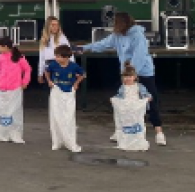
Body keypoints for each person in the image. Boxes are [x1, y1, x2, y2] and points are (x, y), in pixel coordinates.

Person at [79, 12, 166, 146]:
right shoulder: (117, 35)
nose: (114, 26)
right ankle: (120, 131)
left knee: (151, 100)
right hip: (127, 74)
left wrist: (133, 73)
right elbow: (102, 44)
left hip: (143, 72)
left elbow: (140, 55)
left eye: (116, 23)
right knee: (123, 102)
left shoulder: (137, 35)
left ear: (123, 23)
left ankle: (159, 132)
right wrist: (83, 48)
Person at [44, 45, 84, 153]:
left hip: (69, 92)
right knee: (55, 115)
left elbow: (82, 74)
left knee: (68, 117)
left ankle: (70, 141)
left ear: (66, 57)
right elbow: (47, 71)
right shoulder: (53, 65)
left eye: (59, 57)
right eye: (56, 56)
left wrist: (76, 83)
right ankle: (57, 141)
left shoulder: (73, 66)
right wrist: (49, 81)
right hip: (56, 91)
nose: (57, 59)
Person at [0, 36, 31, 144]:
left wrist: (25, 82)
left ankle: (15, 134)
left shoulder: (19, 57)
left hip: (15, 88)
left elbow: (27, 69)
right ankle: (4, 134)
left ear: (6, 47)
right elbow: (0, 70)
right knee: (3, 111)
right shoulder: (1, 57)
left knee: (15, 111)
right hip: (2, 88)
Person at [111, 62, 152, 152]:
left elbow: (145, 94)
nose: (128, 79)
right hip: (126, 109)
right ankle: (126, 141)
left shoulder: (139, 87)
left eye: (130, 77)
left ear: (135, 77)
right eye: (126, 77)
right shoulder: (122, 87)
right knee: (126, 124)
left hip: (136, 109)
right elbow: (119, 96)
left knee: (138, 124)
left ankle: (138, 142)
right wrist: (114, 100)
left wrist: (147, 98)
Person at [37, 16, 74, 85]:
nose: (55, 27)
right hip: (48, 70)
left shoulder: (62, 38)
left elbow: (69, 54)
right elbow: (41, 58)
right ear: (48, 26)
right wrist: (40, 73)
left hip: (60, 68)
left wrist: (72, 69)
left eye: (57, 25)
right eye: (53, 25)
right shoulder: (44, 39)